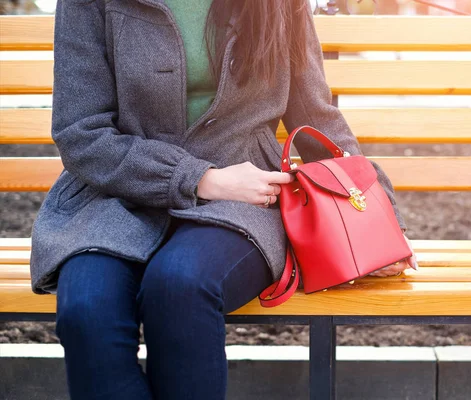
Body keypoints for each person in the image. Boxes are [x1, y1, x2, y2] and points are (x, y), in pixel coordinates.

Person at [29, 0, 418, 398]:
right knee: (87, 309)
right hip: (116, 191)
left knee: (180, 284)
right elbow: (81, 132)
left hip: (246, 200)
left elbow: (318, 119)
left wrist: (379, 225)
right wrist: (200, 179)